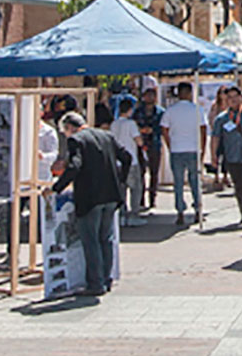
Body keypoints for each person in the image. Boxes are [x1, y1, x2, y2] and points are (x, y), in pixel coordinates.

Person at [52, 110, 124, 297]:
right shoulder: (106, 135)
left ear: (69, 128)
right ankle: (106, 279)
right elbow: (126, 157)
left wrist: (56, 188)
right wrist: (120, 181)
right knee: (105, 239)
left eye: (65, 131)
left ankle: (95, 283)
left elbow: (75, 166)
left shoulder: (76, 140)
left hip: (90, 197)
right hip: (111, 195)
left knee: (90, 240)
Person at [161, 81, 206, 228]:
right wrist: (202, 149)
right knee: (195, 182)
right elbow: (203, 130)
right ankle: (198, 209)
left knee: (178, 183)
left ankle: (180, 211)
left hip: (177, 149)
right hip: (193, 148)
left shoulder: (170, 110)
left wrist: (170, 144)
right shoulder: (197, 110)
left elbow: (164, 130)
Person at [209, 86, 242, 228]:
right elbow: (215, 137)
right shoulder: (221, 119)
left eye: (235, 96)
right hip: (231, 157)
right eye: (229, 97)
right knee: (239, 187)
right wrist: (213, 156)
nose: (233, 100)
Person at [111, 94, 144, 226]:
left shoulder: (114, 124)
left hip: (117, 161)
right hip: (131, 160)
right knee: (136, 188)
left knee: (121, 189)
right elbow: (139, 141)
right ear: (130, 110)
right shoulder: (131, 124)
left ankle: (122, 214)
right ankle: (134, 214)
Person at [134, 84, 164, 209]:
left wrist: (153, 130)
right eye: (148, 96)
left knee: (154, 173)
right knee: (140, 173)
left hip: (155, 144)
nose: (150, 98)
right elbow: (133, 124)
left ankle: (152, 198)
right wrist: (141, 130)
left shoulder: (160, 112)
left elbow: (163, 127)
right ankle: (140, 199)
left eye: (152, 96)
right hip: (140, 144)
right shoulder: (138, 111)